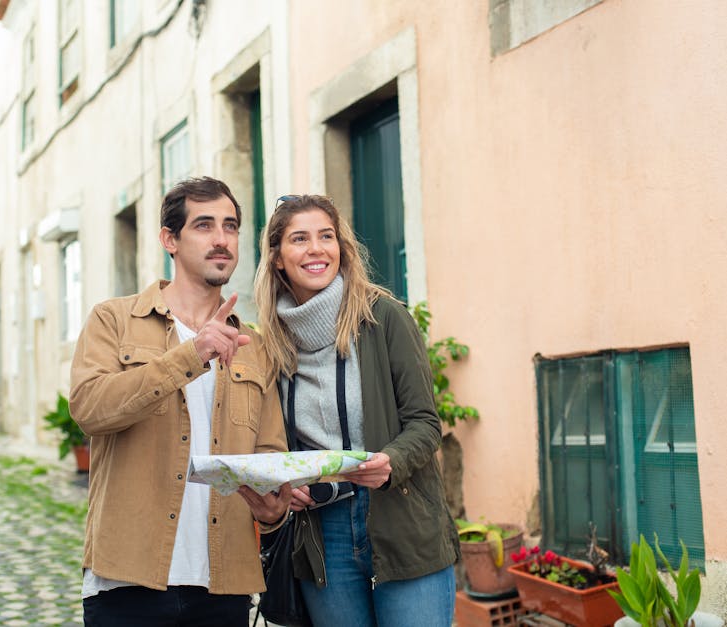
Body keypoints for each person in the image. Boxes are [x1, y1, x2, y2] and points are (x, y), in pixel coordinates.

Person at [69, 176, 292, 626]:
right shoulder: (114, 320)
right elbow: (90, 409)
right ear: (169, 239)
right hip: (127, 580)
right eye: (204, 225)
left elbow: (270, 454)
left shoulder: (256, 345)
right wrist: (191, 355)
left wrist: (274, 511)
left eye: (230, 226)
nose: (221, 240)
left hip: (223, 584)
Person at [254, 194, 460, 627]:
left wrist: (391, 462)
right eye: (299, 239)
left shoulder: (383, 317)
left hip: (399, 518)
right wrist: (287, 482)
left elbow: (425, 423)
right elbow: (272, 442)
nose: (316, 249)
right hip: (321, 533)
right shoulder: (271, 343)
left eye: (326, 236)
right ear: (276, 258)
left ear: (341, 248)